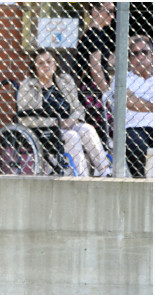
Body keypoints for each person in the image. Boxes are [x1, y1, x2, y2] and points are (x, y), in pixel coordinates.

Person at [17, 49, 112, 177]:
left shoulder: (65, 80)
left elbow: (78, 108)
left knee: (86, 129)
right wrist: (55, 122)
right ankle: (82, 176)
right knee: (72, 136)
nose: (45, 65)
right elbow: (24, 118)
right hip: (43, 130)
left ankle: (105, 171)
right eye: (41, 63)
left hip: (68, 124)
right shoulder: (27, 85)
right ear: (34, 66)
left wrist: (73, 120)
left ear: (56, 64)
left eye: (49, 61)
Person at [106, 36, 153, 178]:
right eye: (135, 53)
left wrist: (139, 101)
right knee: (137, 146)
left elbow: (135, 101)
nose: (140, 56)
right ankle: (140, 182)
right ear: (129, 58)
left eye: (145, 52)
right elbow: (129, 101)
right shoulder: (121, 78)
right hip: (131, 127)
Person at [75, 2, 116, 140]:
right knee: (102, 134)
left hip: (92, 91)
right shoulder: (94, 34)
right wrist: (107, 94)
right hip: (93, 93)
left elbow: (106, 62)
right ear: (94, 11)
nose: (112, 15)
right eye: (109, 11)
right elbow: (96, 69)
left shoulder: (95, 33)